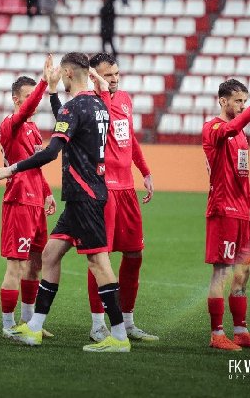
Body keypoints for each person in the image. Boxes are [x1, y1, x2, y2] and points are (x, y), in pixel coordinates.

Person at [0, 53, 131, 353]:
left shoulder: (74, 107)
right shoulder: (98, 104)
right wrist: (57, 94)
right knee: (50, 256)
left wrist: (11, 168)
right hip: (84, 196)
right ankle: (34, 327)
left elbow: (52, 150)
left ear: (68, 73)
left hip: (85, 196)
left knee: (99, 262)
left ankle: (118, 336)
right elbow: (68, 121)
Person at [50, 53, 156, 342]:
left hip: (127, 189)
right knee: (100, 256)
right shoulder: (92, 105)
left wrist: (144, 171)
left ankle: (129, 321)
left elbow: (129, 137)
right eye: (108, 75)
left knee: (134, 254)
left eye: (117, 74)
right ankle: (98, 324)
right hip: (102, 190)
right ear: (94, 76)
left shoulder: (124, 99)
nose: (115, 79)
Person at [202, 77, 250, 351]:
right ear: (223, 101)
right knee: (221, 271)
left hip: (241, 210)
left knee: (243, 272)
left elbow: (244, 174)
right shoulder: (214, 128)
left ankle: (241, 331)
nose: (242, 106)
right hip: (223, 209)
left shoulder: (241, 135)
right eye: (238, 101)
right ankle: (217, 333)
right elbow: (232, 126)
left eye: (245, 101)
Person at [0, 56, 57, 338]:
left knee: (35, 264)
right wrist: (45, 82)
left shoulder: (33, 129)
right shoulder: (12, 124)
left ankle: (29, 322)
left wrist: (47, 192)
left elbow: (35, 164)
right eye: (27, 97)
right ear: (15, 99)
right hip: (18, 201)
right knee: (16, 264)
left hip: (35, 202)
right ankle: (8, 326)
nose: (33, 101)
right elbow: (28, 108)